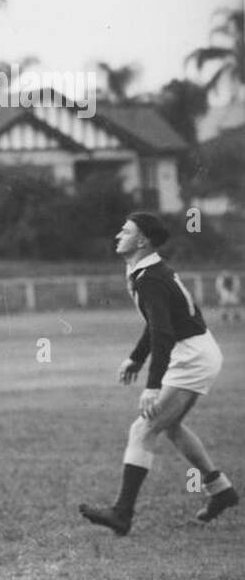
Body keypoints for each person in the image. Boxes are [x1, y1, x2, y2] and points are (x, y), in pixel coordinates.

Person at [79, 212, 237, 535]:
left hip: (192, 356)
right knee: (170, 426)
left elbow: (163, 332)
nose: (118, 235)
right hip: (195, 350)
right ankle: (221, 490)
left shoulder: (149, 277)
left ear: (142, 241)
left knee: (143, 429)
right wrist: (136, 358)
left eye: (126, 231)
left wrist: (152, 386)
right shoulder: (146, 271)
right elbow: (158, 323)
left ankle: (122, 513)